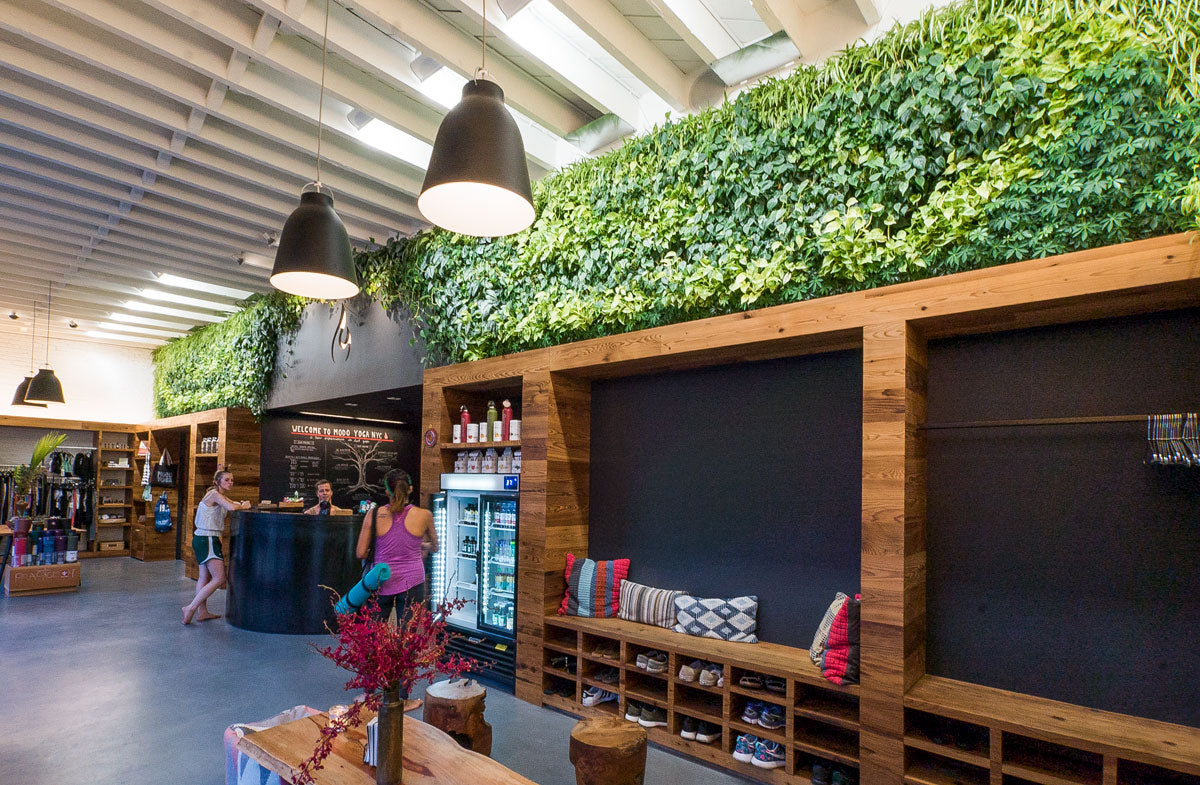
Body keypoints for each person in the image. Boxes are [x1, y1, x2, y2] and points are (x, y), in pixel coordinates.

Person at [355, 469, 438, 625]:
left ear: (387, 491)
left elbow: (360, 552)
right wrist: (422, 546)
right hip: (413, 582)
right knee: (408, 637)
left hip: (381, 580)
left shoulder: (373, 515)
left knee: (374, 635)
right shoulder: (425, 515)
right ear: (411, 489)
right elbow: (435, 547)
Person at [183, 469, 250, 625]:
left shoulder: (220, 496)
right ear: (217, 482)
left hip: (204, 538)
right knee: (219, 578)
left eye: (232, 480)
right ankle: (191, 607)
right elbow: (233, 507)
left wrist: (240, 504)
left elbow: (232, 504)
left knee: (204, 577)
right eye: (226, 480)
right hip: (207, 539)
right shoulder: (214, 495)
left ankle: (202, 612)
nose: (230, 483)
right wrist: (244, 505)